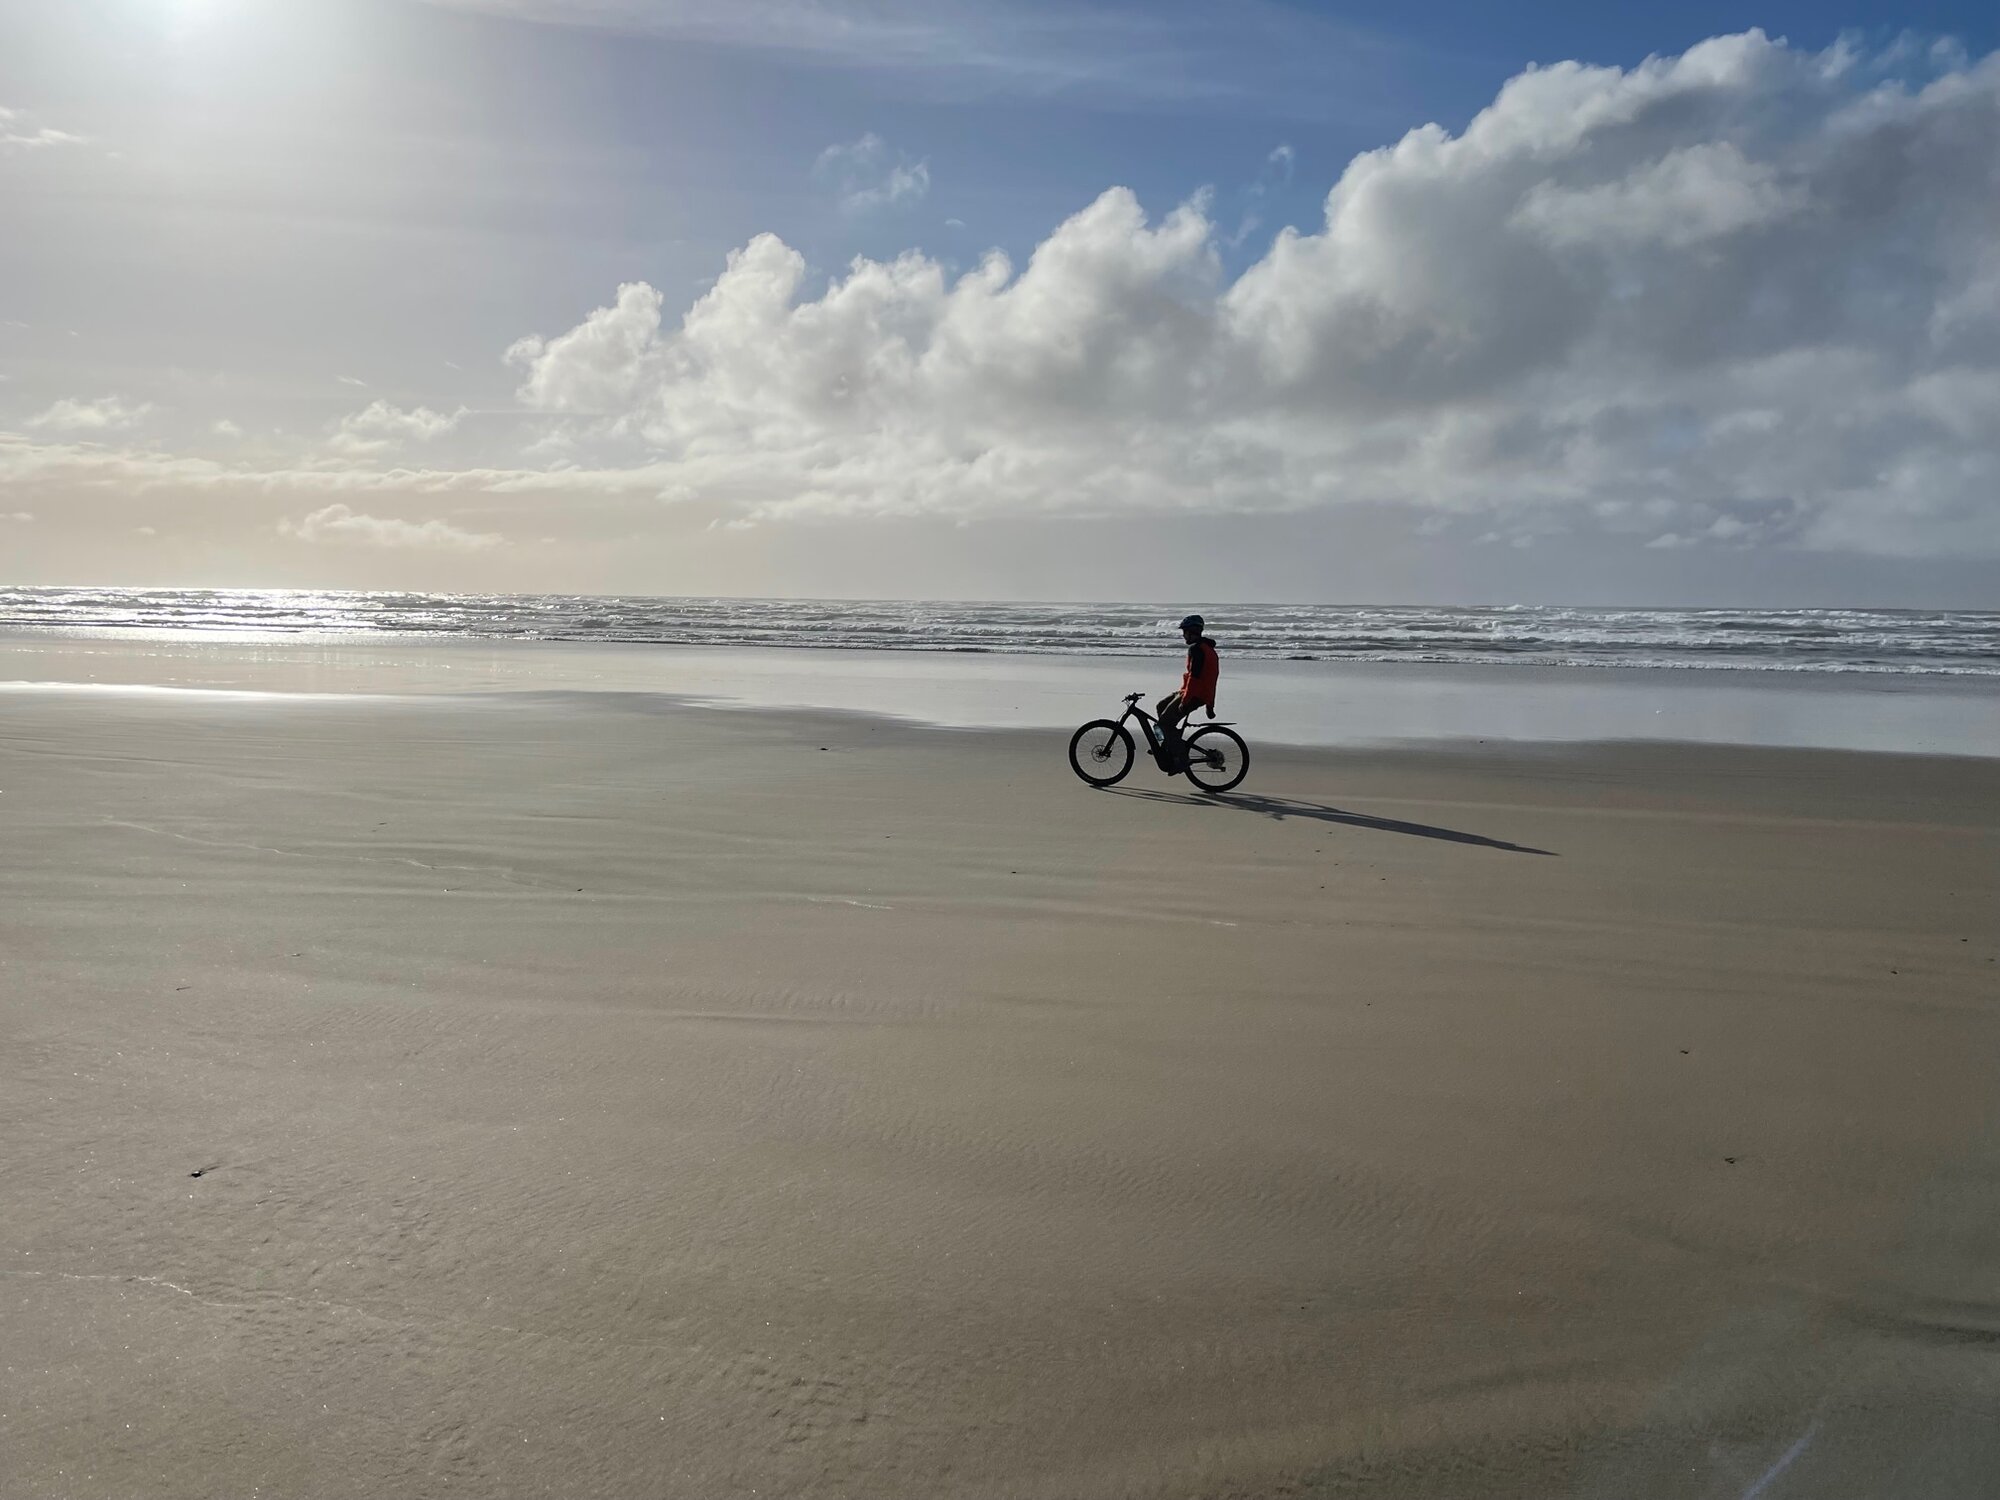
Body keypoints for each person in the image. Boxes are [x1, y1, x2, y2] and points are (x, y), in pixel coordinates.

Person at [1156, 613, 1218, 772]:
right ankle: (1170, 743)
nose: (1183, 635)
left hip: (1194, 694)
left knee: (1165, 723)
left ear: (1193, 632)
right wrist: (1210, 705)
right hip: (1194, 692)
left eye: (1185, 632)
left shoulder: (1197, 650)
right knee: (1160, 706)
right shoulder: (1207, 649)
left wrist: (1185, 702)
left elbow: (1196, 679)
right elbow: (1212, 679)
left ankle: (1181, 760)